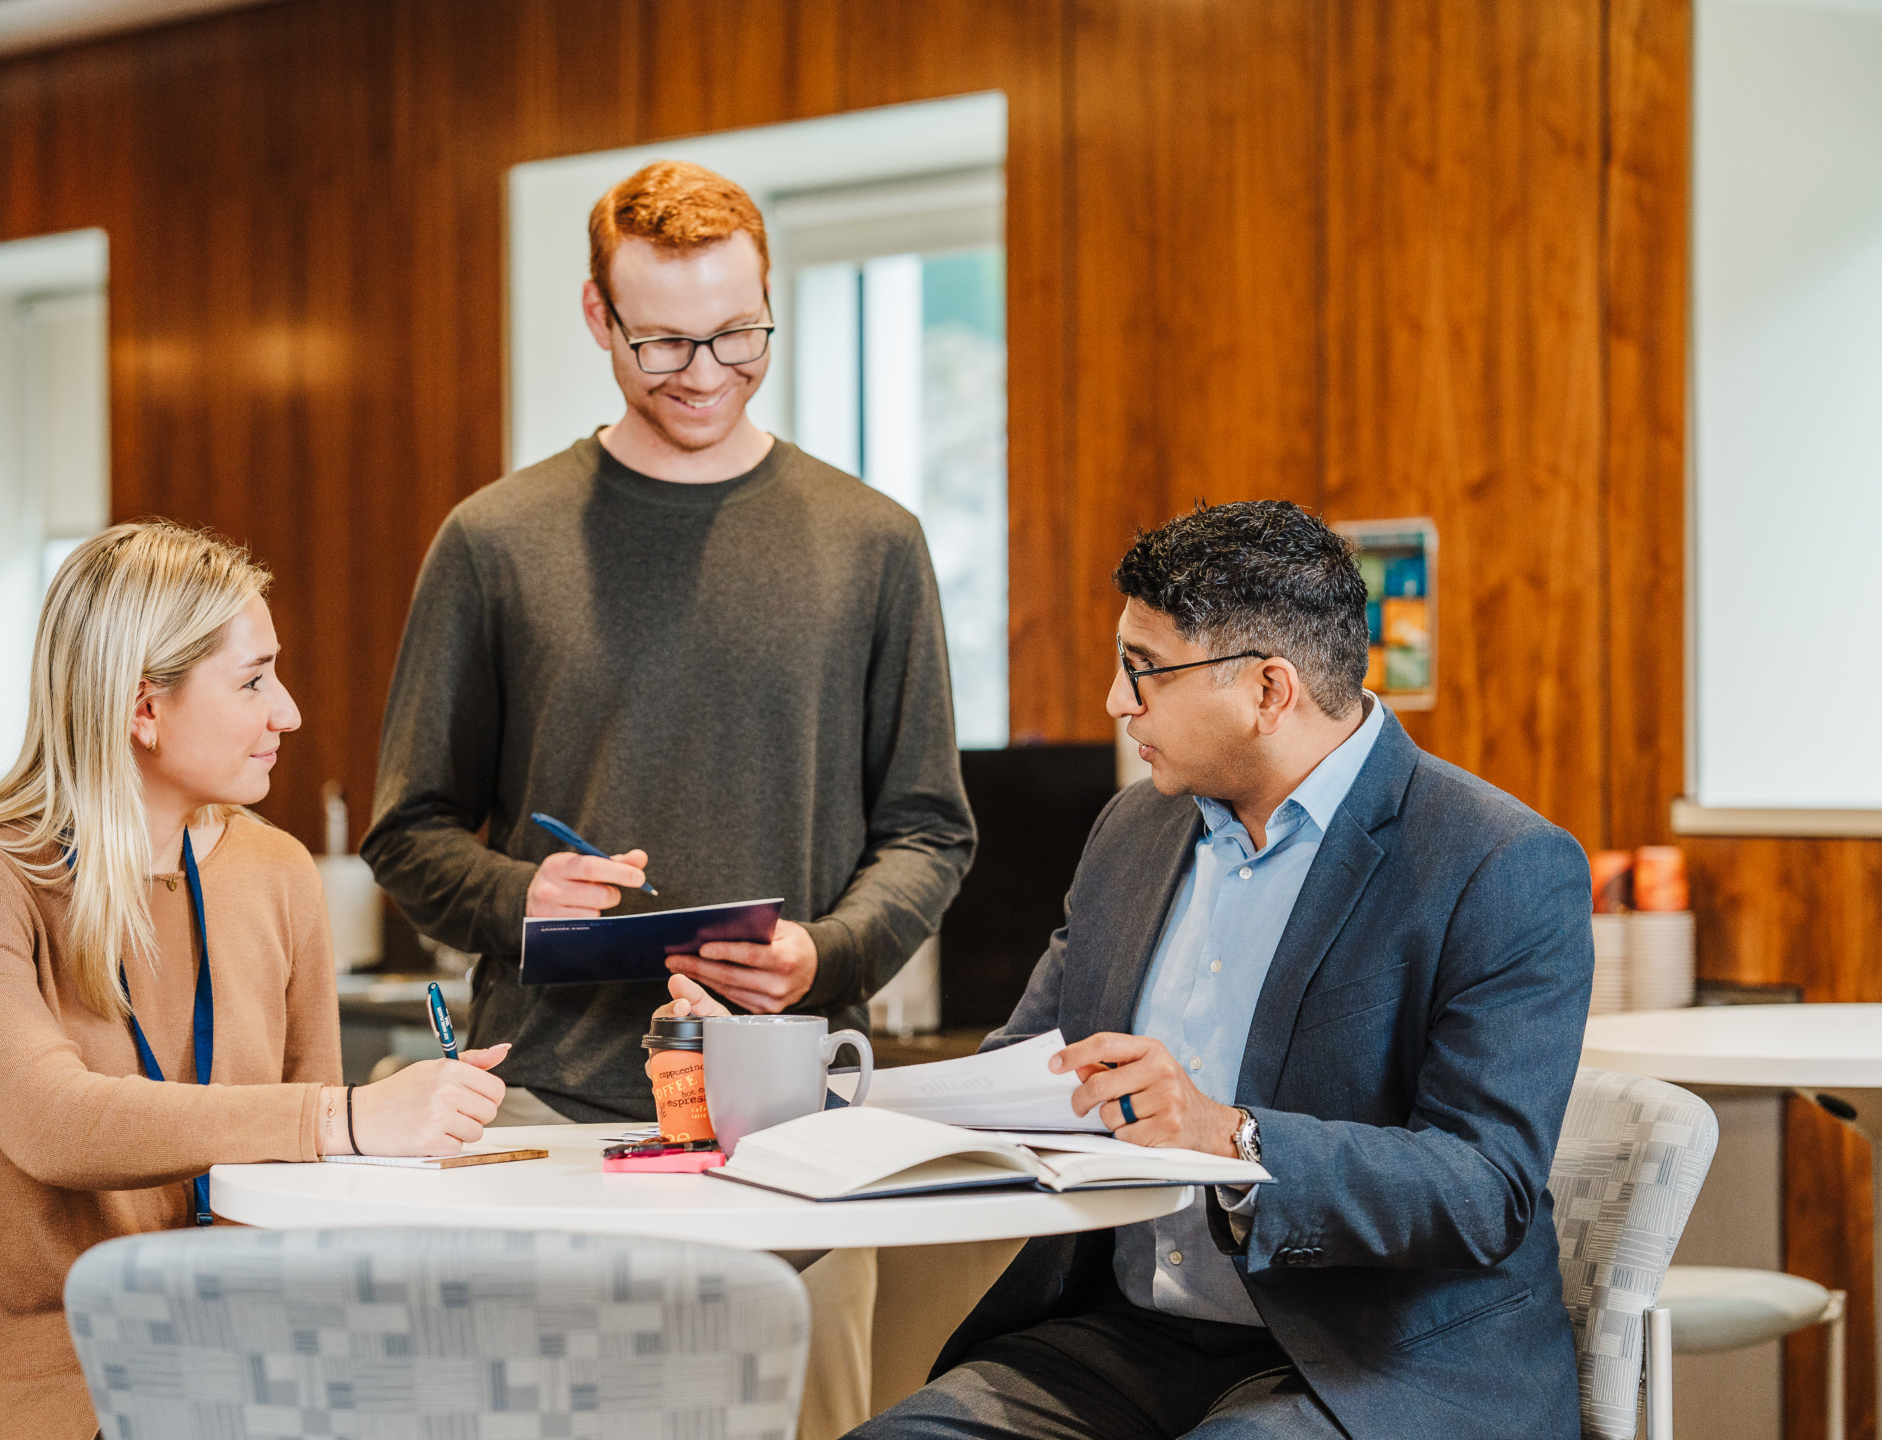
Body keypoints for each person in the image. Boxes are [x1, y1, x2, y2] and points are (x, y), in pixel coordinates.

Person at [814, 500, 1591, 1438]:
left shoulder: (1496, 861)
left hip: (1377, 1359)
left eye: (1144, 670)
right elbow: (1027, 1064)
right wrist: (820, 1099)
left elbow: (1485, 1190)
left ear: (1269, 690)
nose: (1115, 702)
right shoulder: (1132, 831)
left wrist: (1231, 1137)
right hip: (1127, 1342)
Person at [363, 159, 975, 1127]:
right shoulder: (494, 542)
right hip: (547, 1102)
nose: (704, 375)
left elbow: (929, 829)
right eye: (662, 344)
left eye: (738, 335)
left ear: (767, 298)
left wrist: (829, 953)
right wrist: (519, 892)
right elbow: (407, 830)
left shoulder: (875, 542)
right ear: (598, 317)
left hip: (799, 1107)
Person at [0, 522, 509, 1440]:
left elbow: (315, 1180)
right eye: (253, 681)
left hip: (245, 1360)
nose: (287, 712)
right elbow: (54, 1124)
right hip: (53, 1391)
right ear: (144, 709)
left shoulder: (278, 872)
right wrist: (347, 1118)